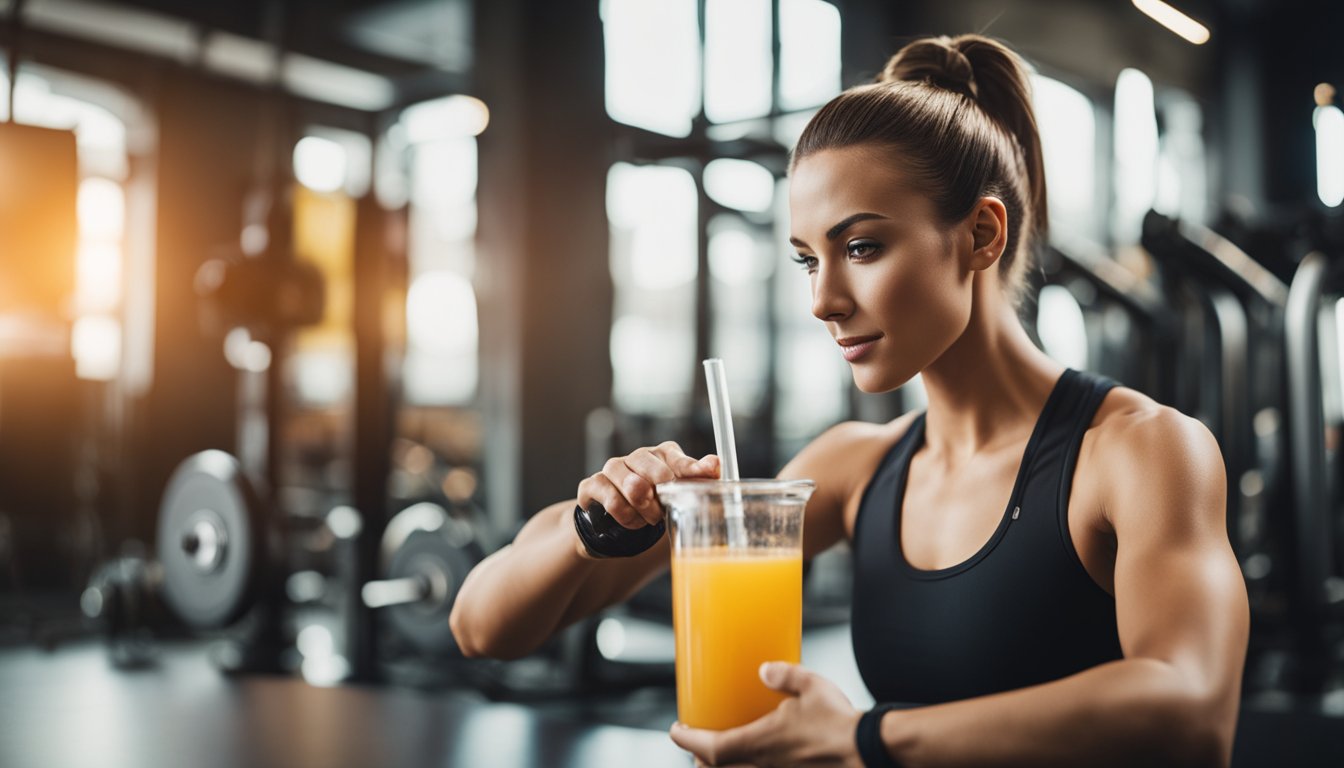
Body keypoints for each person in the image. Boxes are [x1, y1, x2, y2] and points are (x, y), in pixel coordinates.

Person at [449, 33, 1249, 767]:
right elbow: (483, 625)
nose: (824, 300)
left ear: (981, 235)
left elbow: (1191, 710)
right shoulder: (856, 467)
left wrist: (865, 740)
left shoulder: (1140, 451)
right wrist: (599, 528)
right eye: (807, 259)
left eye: (861, 247)